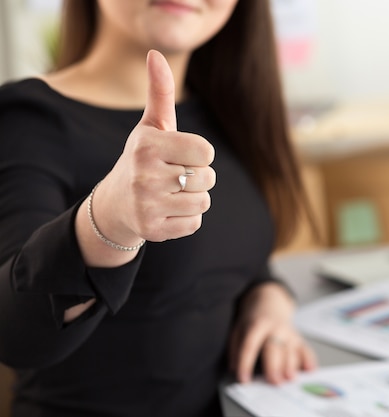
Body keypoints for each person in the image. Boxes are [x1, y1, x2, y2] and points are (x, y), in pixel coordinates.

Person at [0, 0, 318, 415]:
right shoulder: (26, 118)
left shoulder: (225, 110)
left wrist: (268, 296)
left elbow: (230, 251)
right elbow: (15, 332)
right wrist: (109, 220)